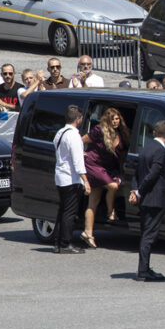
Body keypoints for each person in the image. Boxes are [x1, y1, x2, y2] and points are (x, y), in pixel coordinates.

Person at [129, 120, 165, 282]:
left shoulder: (146, 147)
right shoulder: (161, 151)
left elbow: (136, 171)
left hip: (145, 198)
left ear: (154, 133)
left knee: (145, 232)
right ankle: (143, 270)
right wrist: (139, 192)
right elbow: (154, 173)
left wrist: (135, 189)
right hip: (154, 197)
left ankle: (145, 267)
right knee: (149, 234)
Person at [80, 107, 129, 245]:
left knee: (93, 201)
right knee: (113, 186)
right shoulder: (99, 130)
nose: (116, 121)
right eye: (113, 119)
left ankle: (87, 233)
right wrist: (81, 153)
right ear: (107, 120)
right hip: (94, 165)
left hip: (108, 168)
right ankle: (110, 212)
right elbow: (81, 140)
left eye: (117, 118)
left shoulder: (121, 134)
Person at [52, 105, 90, 255]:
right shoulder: (73, 135)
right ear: (78, 119)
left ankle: (58, 242)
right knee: (69, 212)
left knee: (62, 210)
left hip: (60, 176)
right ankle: (65, 243)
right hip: (70, 178)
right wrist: (86, 181)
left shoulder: (60, 132)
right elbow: (77, 163)